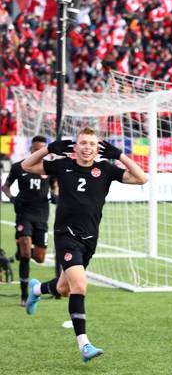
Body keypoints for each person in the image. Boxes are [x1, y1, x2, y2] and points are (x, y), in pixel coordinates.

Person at [22, 127, 147, 362]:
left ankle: (36, 289)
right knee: (80, 285)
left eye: (92, 143)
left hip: (89, 239)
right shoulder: (62, 166)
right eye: (83, 143)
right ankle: (84, 345)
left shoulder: (106, 169)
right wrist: (49, 149)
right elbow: (26, 166)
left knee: (64, 288)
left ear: (97, 147)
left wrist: (119, 154)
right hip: (65, 235)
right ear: (75, 146)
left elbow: (142, 177)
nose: (87, 147)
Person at [2, 136, 57, 306]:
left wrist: (55, 195)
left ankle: (20, 252)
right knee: (26, 253)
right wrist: (12, 198)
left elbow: (55, 185)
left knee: (40, 258)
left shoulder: (50, 168)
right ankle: (24, 295)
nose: (38, 152)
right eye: (35, 149)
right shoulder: (19, 167)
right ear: (31, 150)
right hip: (24, 214)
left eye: (41, 149)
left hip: (42, 216)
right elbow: (5, 186)